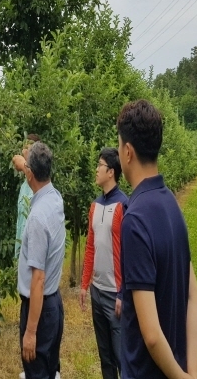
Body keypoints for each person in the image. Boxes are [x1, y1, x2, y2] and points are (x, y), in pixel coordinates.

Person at [116, 99, 197, 379]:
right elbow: (193, 296)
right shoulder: (171, 204)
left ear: (128, 152)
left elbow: (151, 335)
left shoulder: (135, 219)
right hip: (176, 364)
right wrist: (191, 371)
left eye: (119, 146)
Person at [18, 142, 65, 379]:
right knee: (49, 370)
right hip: (53, 304)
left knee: (37, 373)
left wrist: (30, 332)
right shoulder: (55, 199)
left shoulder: (37, 218)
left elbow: (38, 279)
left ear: (30, 173)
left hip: (39, 308)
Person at [79, 147, 128, 378]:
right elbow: (91, 246)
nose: (96, 169)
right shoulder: (95, 206)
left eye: (99, 165)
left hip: (114, 293)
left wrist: (122, 293)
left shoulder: (123, 206)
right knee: (105, 355)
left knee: (121, 356)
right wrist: (84, 284)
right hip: (97, 292)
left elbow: (128, 254)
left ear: (111, 172)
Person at [12, 134, 41, 258]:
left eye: (29, 149)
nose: (24, 152)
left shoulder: (39, 184)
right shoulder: (24, 186)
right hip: (22, 254)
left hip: (32, 255)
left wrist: (24, 166)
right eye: (24, 148)